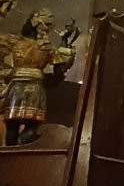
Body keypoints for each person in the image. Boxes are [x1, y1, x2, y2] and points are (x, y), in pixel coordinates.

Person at [0, 10, 76, 146]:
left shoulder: (21, 43)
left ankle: (11, 155)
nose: (48, 29)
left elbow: (59, 66)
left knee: (16, 127)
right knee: (24, 128)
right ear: (36, 22)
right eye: (47, 25)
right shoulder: (25, 43)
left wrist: (64, 40)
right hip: (31, 86)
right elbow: (59, 68)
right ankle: (15, 154)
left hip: (20, 86)